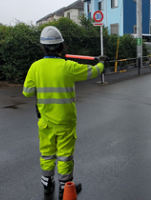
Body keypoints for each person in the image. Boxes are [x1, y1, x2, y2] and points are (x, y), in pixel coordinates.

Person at [22, 26, 107, 198]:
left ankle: (47, 184)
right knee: (65, 155)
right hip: (66, 121)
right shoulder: (68, 66)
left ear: (43, 47)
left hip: (45, 121)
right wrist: (102, 62)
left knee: (47, 154)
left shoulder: (35, 67)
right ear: (61, 46)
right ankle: (65, 187)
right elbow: (94, 71)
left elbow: (27, 92)